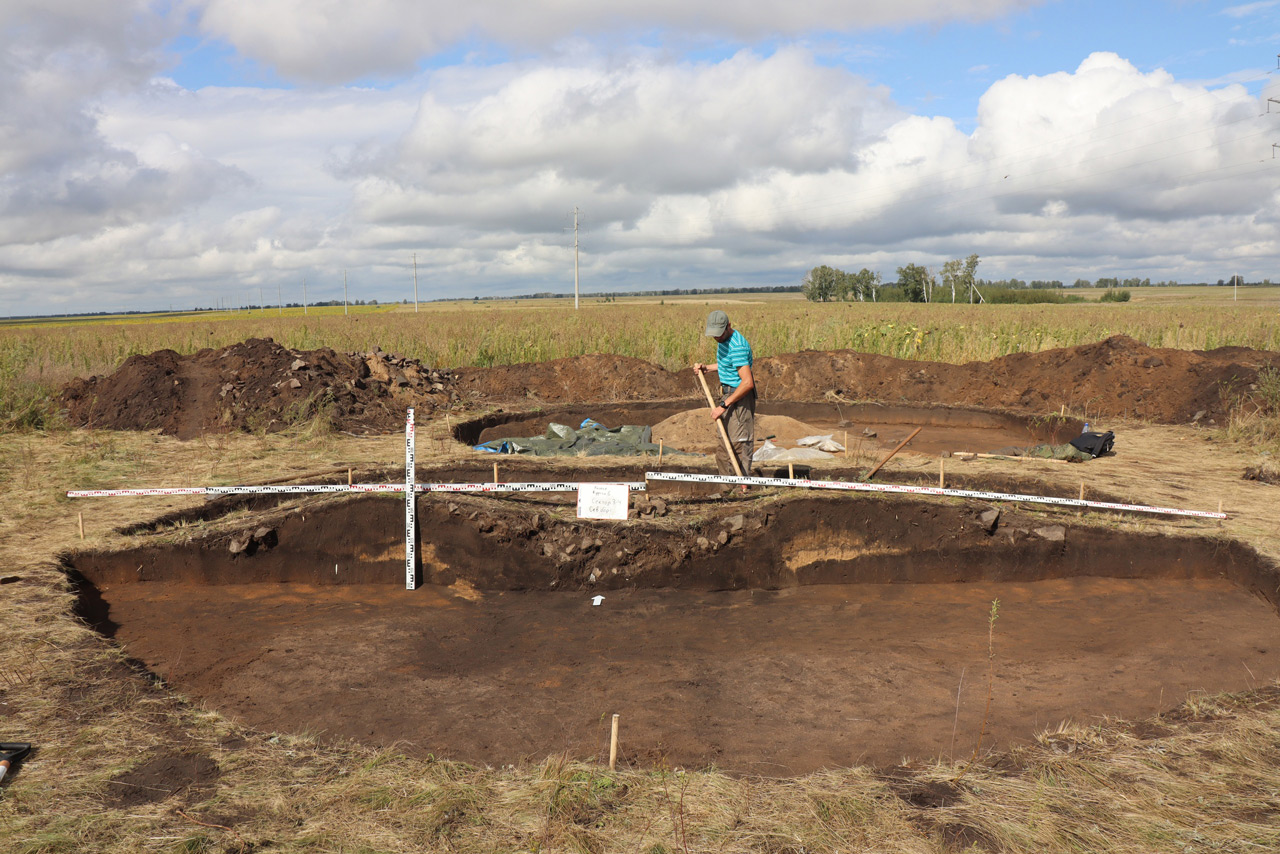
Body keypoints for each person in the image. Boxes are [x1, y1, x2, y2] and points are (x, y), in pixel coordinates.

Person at [693, 310, 755, 477]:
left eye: (719, 334)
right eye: (714, 335)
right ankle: (726, 489)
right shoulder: (724, 341)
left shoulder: (737, 346)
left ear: (728, 326)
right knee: (723, 443)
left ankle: (741, 486)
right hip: (728, 394)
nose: (717, 338)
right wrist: (708, 368)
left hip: (739, 396)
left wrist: (723, 405)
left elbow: (747, 383)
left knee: (738, 443)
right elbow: (729, 364)